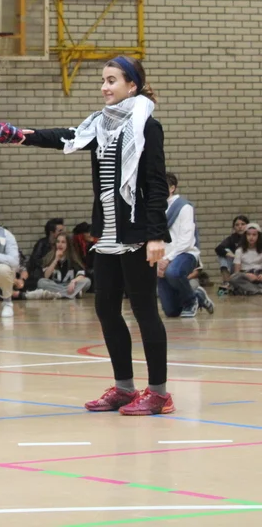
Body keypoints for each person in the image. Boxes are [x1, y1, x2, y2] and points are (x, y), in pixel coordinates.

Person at [22, 55, 174, 416]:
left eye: (111, 80)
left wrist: (156, 235)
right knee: (106, 309)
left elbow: (156, 184)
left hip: (137, 232)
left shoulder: (147, 126)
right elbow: (67, 137)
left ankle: (159, 394)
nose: (104, 87)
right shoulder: (101, 126)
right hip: (106, 233)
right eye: (103, 80)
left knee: (144, 311)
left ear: (132, 86)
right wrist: (23, 135)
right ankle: (124, 388)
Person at [158, 173, 213, 318]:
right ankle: (198, 295)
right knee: (171, 311)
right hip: (162, 258)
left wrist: (167, 259)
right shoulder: (155, 209)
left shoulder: (184, 207)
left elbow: (186, 240)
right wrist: (157, 262)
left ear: (172, 188)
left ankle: (191, 301)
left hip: (185, 254)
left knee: (173, 272)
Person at [32, 232, 91, 299]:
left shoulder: (73, 258)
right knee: (41, 282)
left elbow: (81, 275)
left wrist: (73, 281)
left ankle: (59, 294)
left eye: (63, 242)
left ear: (68, 245)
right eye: (58, 242)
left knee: (87, 281)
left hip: (70, 286)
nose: (60, 244)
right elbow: (46, 276)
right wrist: (56, 259)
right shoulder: (49, 257)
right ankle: (70, 295)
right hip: (54, 285)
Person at [215, 215, 249, 286]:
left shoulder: (252, 237)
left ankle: (228, 282)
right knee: (224, 251)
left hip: (249, 265)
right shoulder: (232, 238)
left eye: (243, 224)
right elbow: (218, 248)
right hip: (236, 266)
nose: (240, 227)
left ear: (248, 225)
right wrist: (234, 256)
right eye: (237, 225)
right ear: (234, 227)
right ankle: (226, 280)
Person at [229, 223, 262, 295]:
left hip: (259, 276)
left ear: (258, 236)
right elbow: (236, 272)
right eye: (248, 234)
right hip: (245, 277)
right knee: (233, 278)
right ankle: (257, 290)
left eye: (254, 235)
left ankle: (250, 290)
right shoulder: (239, 251)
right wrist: (246, 275)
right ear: (245, 236)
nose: (251, 237)